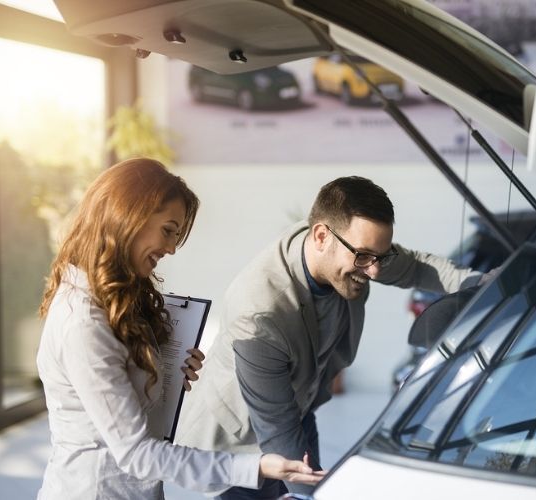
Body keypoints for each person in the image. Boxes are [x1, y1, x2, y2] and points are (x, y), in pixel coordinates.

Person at [176, 176, 490, 498]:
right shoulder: (259, 314)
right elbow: (277, 430)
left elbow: (416, 267)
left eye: (380, 257)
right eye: (365, 256)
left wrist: (483, 283)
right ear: (322, 237)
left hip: (297, 411)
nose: (374, 272)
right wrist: (311, 493)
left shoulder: (354, 252)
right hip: (234, 450)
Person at [36, 158, 322, 499]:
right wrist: (254, 467)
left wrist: (165, 376)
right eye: (169, 230)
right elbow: (137, 453)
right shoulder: (84, 323)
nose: (171, 248)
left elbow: (133, 417)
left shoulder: (112, 301)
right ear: (129, 216)